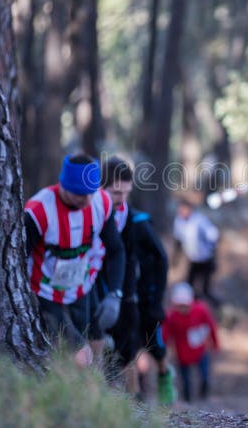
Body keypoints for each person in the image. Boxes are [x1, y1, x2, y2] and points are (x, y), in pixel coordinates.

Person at [24, 153, 125, 368]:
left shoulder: (101, 201)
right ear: (64, 185)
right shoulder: (39, 210)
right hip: (45, 291)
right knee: (79, 354)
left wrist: (115, 293)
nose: (87, 200)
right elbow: (17, 259)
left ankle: (95, 387)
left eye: (90, 193)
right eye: (79, 194)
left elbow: (116, 250)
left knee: (96, 338)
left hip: (81, 285)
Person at [100, 155, 175, 405]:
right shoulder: (94, 216)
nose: (120, 199)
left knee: (152, 340)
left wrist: (155, 295)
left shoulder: (137, 222)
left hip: (138, 293)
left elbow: (161, 259)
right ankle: (130, 398)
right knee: (120, 346)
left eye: (125, 192)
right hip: (106, 291)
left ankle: (164, 373)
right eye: (114, 193)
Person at [162, 282, 219, 403]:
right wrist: (163, 349)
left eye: (185, 305)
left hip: (200, 350)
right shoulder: (172, 317)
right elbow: (165, 334)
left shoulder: (200, 310)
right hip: (182, 353)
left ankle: (204, 391)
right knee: (186, 379)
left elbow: (211, 326)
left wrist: (215, 344)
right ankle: (188, 400)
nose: (183, 309)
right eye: (180, 305)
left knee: (204, 374)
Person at [173, 198, 220, 307]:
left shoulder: (199, 221)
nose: (182, 212)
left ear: (190, 209)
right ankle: (193, 308)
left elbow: (213, 235)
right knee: (189, 287)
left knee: (205, 289)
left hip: (206, 260)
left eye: (184, 209)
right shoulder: (178, 221)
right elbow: (178, 240)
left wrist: (213, 255)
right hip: (193, 260)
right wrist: (176, 258)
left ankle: (216, 309)